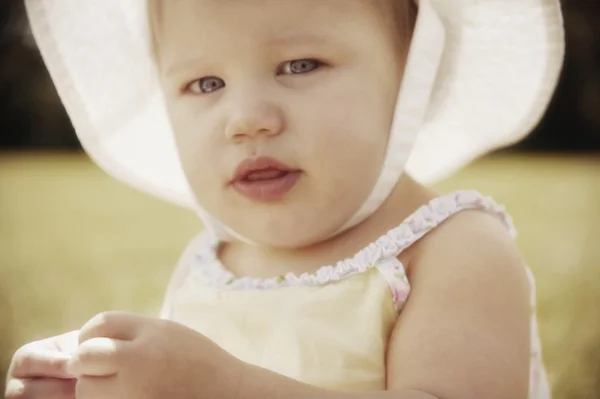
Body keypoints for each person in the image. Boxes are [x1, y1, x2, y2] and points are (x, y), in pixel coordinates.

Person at [6, 0, 565, 398]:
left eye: (299, 65)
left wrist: (226, 388)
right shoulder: (210, 264)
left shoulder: (455, 251)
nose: (247, 119)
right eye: (205, 84)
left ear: (410, 78)